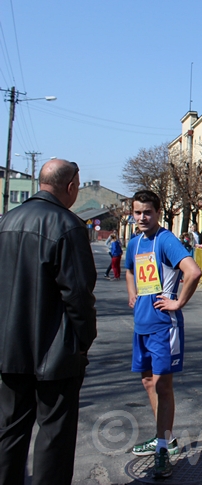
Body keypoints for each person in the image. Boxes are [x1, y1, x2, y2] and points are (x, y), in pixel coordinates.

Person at [0, 159, 97, 485]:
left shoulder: (6, 221)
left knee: (10, 431)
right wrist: (84, 340)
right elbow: (79, 294)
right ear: (70, 186)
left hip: (9, 348)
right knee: (54, 436)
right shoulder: (68, 225)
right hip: (56, 351)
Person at [126, 190, 202, 478]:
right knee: (148, 381)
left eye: (148, 212)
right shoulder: (135, 242)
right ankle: (164, 437)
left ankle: (162, 449)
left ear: (158, 212)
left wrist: (178, 302)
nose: (142, 217)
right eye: (138, 212)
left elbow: (193, 272)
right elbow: (130, 270)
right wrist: (132, 293)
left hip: (163, 325)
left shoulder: (166, 240)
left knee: (162, 386)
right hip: (141, 324)